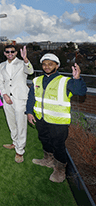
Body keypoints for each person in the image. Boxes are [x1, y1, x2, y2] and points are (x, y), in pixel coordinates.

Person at [26, 53, 86, 183]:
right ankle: (48, 159)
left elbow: (80, 92)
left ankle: (60, 170)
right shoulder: (36, 80)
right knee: (44, 139)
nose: (47, 66)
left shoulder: (65, 81)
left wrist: (77, 78)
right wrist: (29, 112)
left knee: (58, 145)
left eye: (50, 64)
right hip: (41, 119)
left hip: (58, 122)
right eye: (44, 64)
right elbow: (31, 98)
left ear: (57, 66)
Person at [0, 45, 34, 163]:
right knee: (11, 122)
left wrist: (26, 60)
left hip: (20, 98)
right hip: (7, 99)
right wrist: (4, 94)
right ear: (4, 53)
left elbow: (30, 71)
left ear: (16, 52)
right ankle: (14, 142)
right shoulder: (1, 65)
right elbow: (0, 81)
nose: (10, 53)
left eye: (12, 52)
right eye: (7, 52)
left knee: (21, 124)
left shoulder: (22, 63)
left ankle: (20, 150)